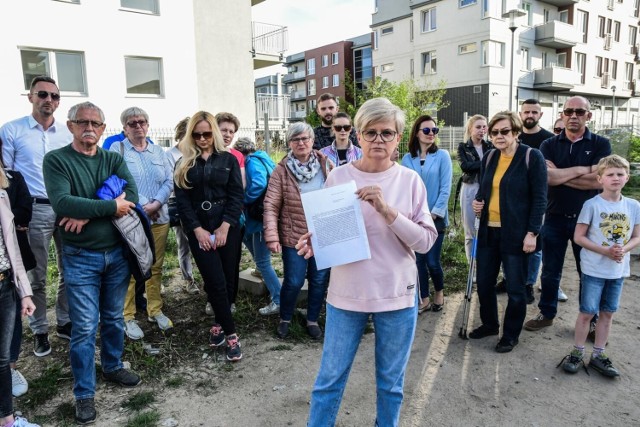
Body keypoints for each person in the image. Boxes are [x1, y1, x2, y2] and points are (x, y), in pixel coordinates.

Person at [301, 97, 437, 426]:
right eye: (370, 132)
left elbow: (425, 241)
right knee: (329, 382)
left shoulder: (409, 181)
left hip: (396, 294)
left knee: (390, 386)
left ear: (398, 137)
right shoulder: (338, 178)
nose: (378, 140)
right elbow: (334, 233)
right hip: (347, 294)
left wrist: (387, 210)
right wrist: (316, 240)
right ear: (357, 136)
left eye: (386, 133)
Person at [43, 102, 142, 425]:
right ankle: (84, 393)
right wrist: (110, 205)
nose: (89, 127)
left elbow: (133, 195)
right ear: (70, 125)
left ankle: (112, 366)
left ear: (103, 128)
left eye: (95, 123)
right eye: (82, 122)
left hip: (116, 253)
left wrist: (88, 211)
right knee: (84, 327)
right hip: (79, 256)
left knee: (113, 318)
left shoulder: (113, 158)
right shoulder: (57, 160)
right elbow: (62, 202)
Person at [525, 96, 612, 337]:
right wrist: (585, 171)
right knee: (551, 270)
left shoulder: (601, 144)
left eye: (579, 112)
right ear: (562, 115)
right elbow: (547, 178)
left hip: (589, 220)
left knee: (589, 272)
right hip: (554, 216)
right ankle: (547, 313)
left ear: (589, 116)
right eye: (569, 111)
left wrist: (561, 175)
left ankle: (591, 319)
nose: (574, 116)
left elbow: (598, 180)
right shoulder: (549, 145)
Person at [0, 76, 72, 357]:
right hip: (35, 210)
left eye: (54, 96)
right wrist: (18, 217)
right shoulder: (12, 131)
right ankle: (40, 329)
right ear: (30, 96)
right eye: (42, 94)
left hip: (65, 208)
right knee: (37, 274)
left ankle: (65, 322)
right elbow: (7, 177)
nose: (49, 100)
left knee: (70, 270)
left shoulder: (67, 133)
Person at [469, 111, 547, 353]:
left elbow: (540, 199)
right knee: (484, 283)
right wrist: (477, 203)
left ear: (516, 132)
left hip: (516, 233)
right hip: (488, 231)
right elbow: (484, 189)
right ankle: (490, 324)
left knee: (515, 288)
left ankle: (511, 334)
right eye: (494, 132)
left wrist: (532, 233)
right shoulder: (490, 157)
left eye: (504, 131)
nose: (498, 136)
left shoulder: (532, 157)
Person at [560, 155, 640, 377]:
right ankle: (577, 352)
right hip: (594, 269)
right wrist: (604, 251)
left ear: (627, 177)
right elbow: (579, 237)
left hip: (618, 271)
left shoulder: (633, 205)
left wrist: (624, 249)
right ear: (600, 179)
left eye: (620, 174)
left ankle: (598, 354)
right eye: (610, 174)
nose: (615, 178)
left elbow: (636, 236)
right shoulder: (592, 204)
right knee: (587, 312)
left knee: (607, 313)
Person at [173, 111, 244, 362]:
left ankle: (218, 321)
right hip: (199, 229)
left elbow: (237, 195)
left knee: (227, 280)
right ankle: (232, 334)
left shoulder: (228, 159)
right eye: (197, 134)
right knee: (213, 281)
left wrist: (225, 226)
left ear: (213, 132)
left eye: (206, 133)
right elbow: (182, 202)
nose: (202, 138)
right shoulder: (183, 163)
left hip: (227, 227)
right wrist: (198, 230)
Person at [263, 122, 332, 339]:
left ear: (312, 141)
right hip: (294, 236)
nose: (301, 143)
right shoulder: (281, 170)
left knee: (320, 279)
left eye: (305, 138)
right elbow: (271, 205)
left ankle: (312, 319)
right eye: (295, 139)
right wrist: (272, 236)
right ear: (289, 143)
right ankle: (285, 317)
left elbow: (337, 195)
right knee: (293, 280)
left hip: (322, 234)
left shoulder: (326, 165)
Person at [110, 107, 173, 340]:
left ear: (148, 125)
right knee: (131, 267)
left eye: (142, 122)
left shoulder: (159, 152)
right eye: (132, 123)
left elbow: (169, 180)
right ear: (124, 128)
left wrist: (157, 203)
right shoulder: (118, 150)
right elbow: (119, 182)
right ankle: (127, 315)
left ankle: (154, 309)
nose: (138, 126)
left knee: (155, 266)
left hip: (159, 216)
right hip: (132, 218)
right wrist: (145, 205)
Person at [0, 162, 38, 427]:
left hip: (4, 285)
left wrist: (24, 292)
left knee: (2, 360)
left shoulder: (2, 192)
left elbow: (11, 248)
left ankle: (7, 421)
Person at [401, 115, 452, 313]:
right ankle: (424, 298)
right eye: (427, 130)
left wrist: (434, 214)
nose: (432, 134)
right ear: (417, 133)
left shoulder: (443, 156)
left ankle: (439, 292)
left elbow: (446, 189)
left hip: (435, 218)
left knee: (432, 261)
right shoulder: (407, 159)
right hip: (414, 219)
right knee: (418, 261)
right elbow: (404, 189)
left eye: (435, 130)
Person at [517, 99, 560, 305]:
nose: (530, 115)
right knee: (512, 241)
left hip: (539, 200)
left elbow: (553, 172)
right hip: (514, 201)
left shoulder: (549, 140)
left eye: (534, 112)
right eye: (526, 112)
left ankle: (528, 283)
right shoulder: (514, 137)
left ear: (540, 115)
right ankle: (509, 278)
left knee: (535, 244)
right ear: (520, 114)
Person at [234, 137, 281, 316]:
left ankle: (279, 300)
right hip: (263, 216)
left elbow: (259, 183)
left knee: (263, 261)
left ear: (241, 152)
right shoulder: (265, 158)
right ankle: (263, 274)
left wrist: (243, 201)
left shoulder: (251, 161)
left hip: (258, 216)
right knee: (251, 246)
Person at [214, 112, 245, 315]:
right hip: (209, 217)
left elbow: (241, 186)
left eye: (231, 131)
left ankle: (230, 300)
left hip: (232, 216)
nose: (227, 134)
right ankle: (213, 299)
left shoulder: (237, 156)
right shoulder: (205, 154)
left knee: (231, 261)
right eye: (223, 130)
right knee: (212, 264)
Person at [166, 117, 198, 295]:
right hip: (177, 206)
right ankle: (189, 279)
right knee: (183, 244)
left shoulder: (196, 153)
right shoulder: (170, 155)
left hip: (197, 207)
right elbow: (171, 183)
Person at [457, 115, 490, 263]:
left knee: (486, 229)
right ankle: (473, 266)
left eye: (484, 127)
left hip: (488, 188)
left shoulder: (490, 146)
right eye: (478, 127)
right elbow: (465, 166)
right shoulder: (463, 147)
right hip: (470, 188)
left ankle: (485, 263)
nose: (481, 130)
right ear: (470, 129)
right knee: (470, 230)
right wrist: (486, 163)